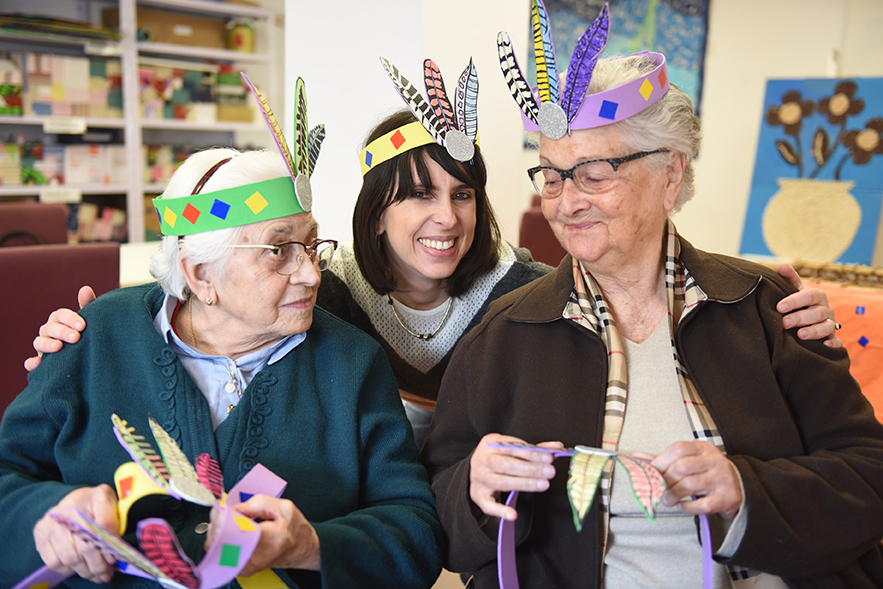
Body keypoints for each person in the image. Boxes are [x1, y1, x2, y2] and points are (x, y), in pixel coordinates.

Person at [24, 114, 841, 452]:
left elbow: (633, 284)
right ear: (375, 213)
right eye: (415, 192)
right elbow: (193, 299)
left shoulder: (528, 298)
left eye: (461, 192)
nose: (445, 216)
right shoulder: (324, 294)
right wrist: (97, 333)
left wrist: (768, 309)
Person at [421, 9, 883, 588]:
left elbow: (868, 477)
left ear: (670, 174)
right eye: (553, 176)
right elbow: (439, 504)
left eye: (593, 173)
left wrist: (747, 492)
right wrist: (475, 487)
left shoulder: (766, 307)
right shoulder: (506, 332)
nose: (564, 202)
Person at [0, 146, 443, 588]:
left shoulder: (352, 362)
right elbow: (9, 473)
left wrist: (312, 546)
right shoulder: (93, 336)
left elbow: (415, 530)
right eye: (278, 249)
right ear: (200, 275)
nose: (310, 274)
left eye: (310, 245)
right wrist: (44, 517)